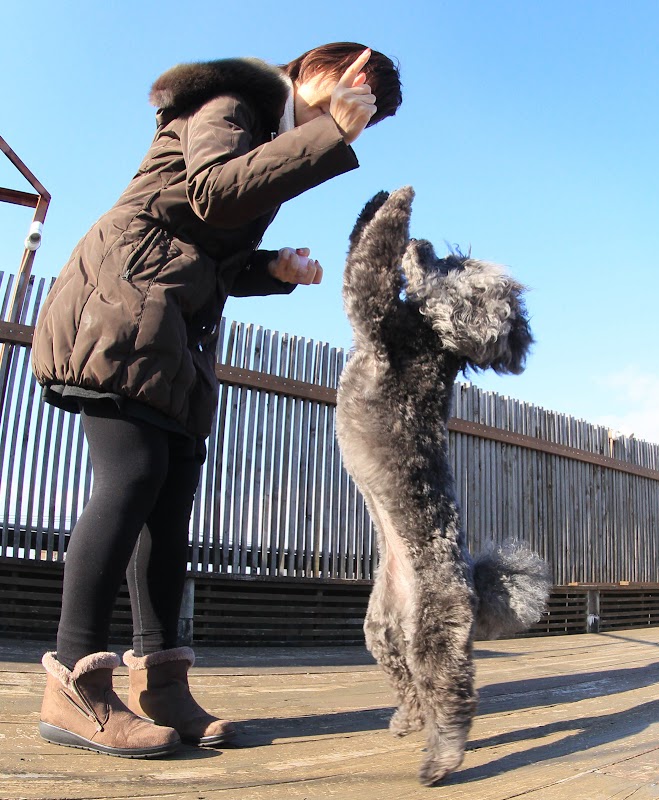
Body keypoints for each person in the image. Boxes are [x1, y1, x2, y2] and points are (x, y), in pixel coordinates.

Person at [30, 42, 402, 758]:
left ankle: (162, 685)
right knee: (132, 477)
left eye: (373, 109)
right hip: (124, 302)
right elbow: (211, 193)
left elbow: (215, 250)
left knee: (167, 510)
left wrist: (272, 268)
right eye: (357, 86)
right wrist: (328, 136)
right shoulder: (235, 104)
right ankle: (74, 685)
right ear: (315, 69)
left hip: (174, 323)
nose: (360, 107)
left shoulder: (274, 139)